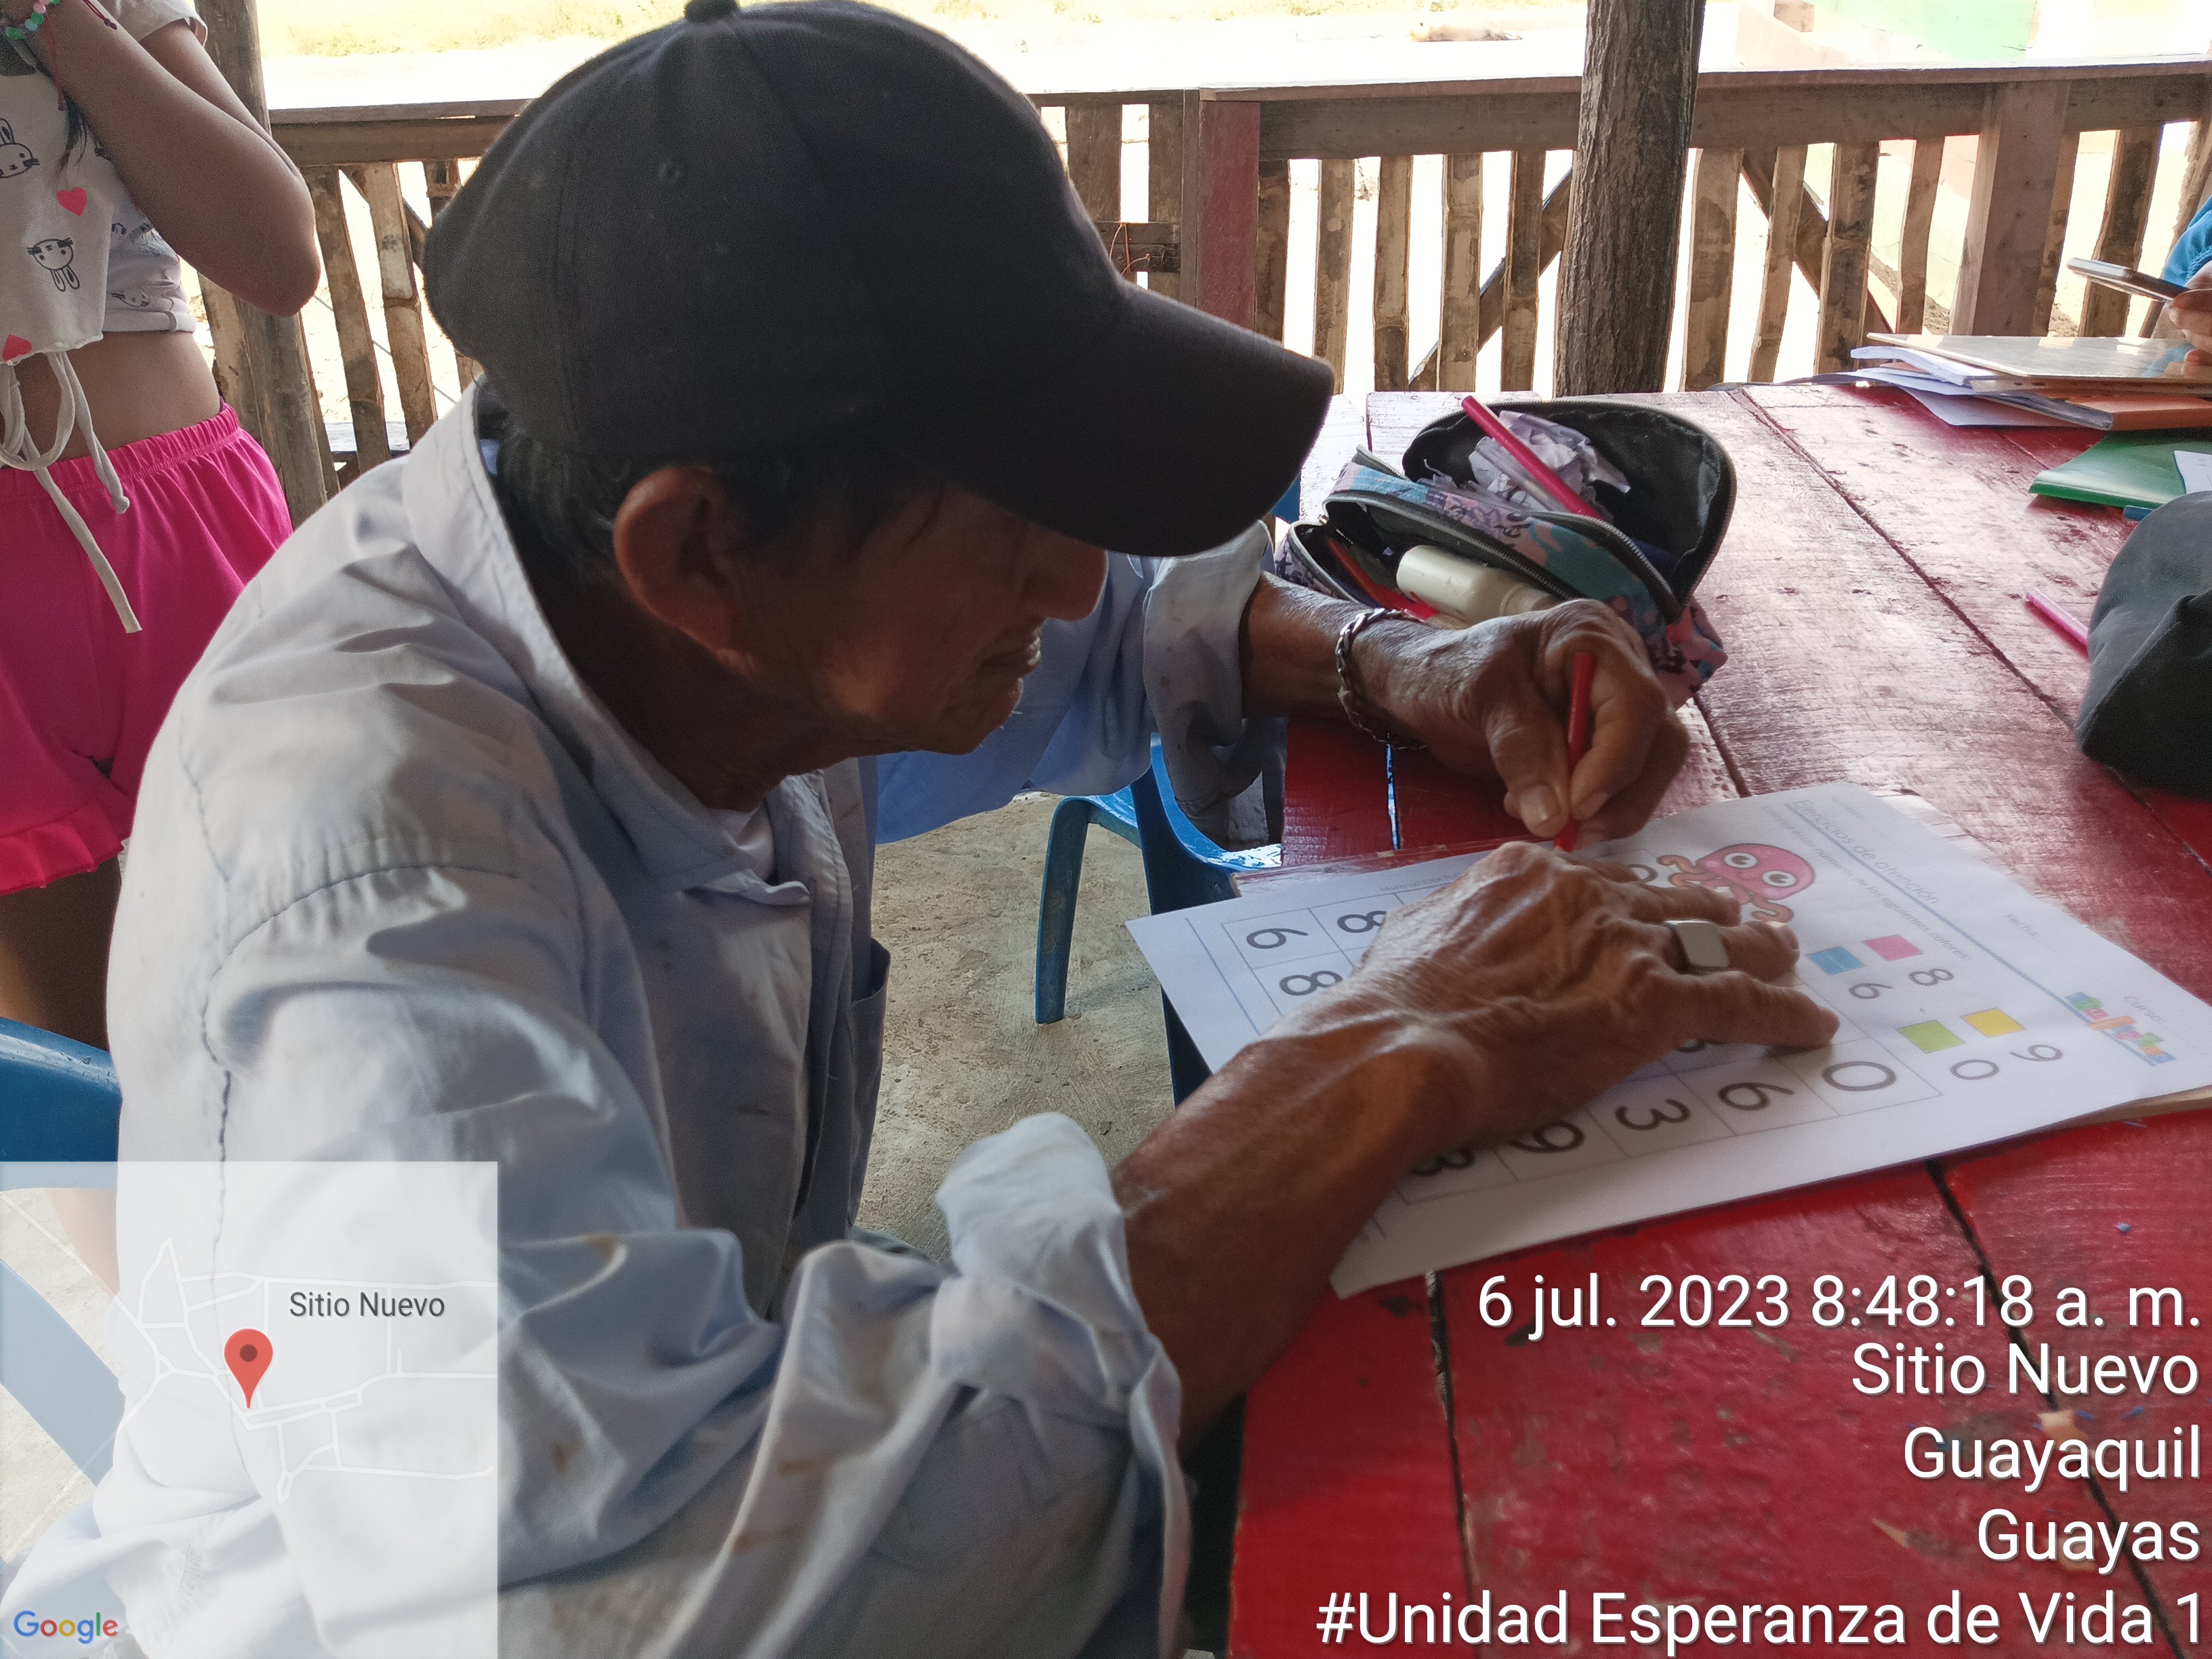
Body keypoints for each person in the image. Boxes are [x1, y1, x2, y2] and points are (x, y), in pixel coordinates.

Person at [0, 3, 1834, 1654]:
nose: (1077, 573)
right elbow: (635, 1608)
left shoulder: (669, 596)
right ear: (696, 551)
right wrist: (1388, 1051)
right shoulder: (377, 911)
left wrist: (1393, 663)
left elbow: (1102, 633)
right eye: (1013, 518)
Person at [0, 0, 316, 1290]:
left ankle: (370, 1336)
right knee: (80, 1079)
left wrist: (61, 22)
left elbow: (277, 255)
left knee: (317, 993)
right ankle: (193, 1369)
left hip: (182, 528)